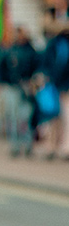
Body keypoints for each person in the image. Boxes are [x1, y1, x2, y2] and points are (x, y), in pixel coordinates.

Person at [0, 26, 39, 156]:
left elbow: (38, 67)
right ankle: (15, 145)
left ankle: (28, 143)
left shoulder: (31, 51)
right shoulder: (8, 50)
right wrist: (0, 83)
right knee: (12, 117)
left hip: (27, 88)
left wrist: (34, 82)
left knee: (26, 116)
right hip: (11, 87)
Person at [40, 22, 69, 159]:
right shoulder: (53, 45)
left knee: (66, 118)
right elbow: (46, 66)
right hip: (53, 88)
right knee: (52, 118)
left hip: (66, 88)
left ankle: (65, 148)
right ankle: (50, 147)